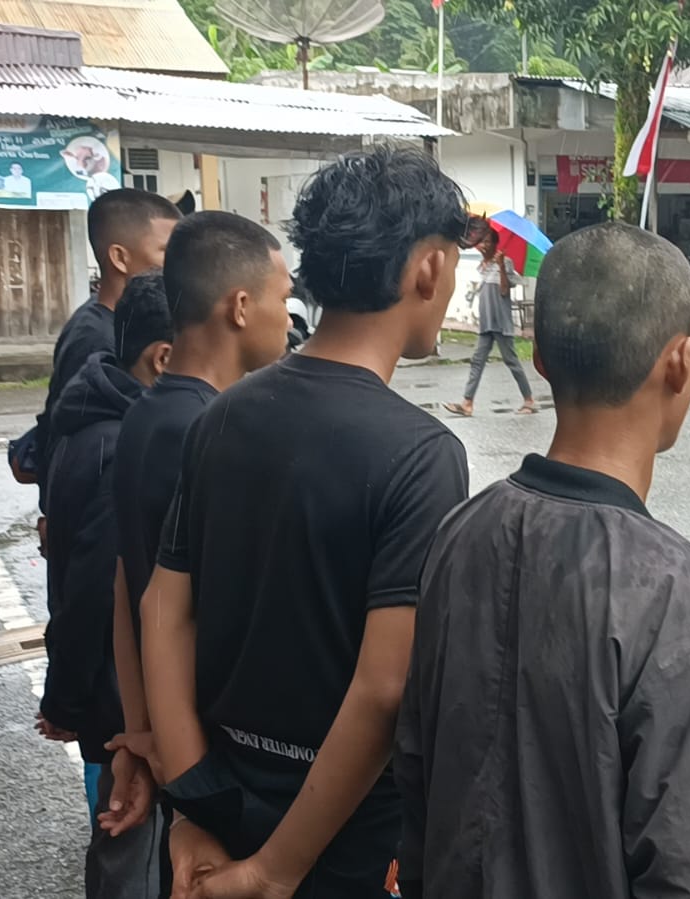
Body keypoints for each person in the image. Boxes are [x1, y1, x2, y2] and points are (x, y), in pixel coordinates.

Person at [396, 222, 690, 899]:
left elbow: (420, 775)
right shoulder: (679, 596)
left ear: (538, 357)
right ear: (681, 361)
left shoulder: (459, 534)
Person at [142, 146, 470, 899]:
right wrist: (277, 868)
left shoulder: (222, 413)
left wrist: (195, 798)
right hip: (343, 832)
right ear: (426, 269)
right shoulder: (421, 455)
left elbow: (164, 606)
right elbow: (385, 687)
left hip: (223, 788)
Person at [96, 212, 294, 870]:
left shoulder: (144, 412)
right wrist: (180, 771)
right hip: (213, 759)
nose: (289, 320)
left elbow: (130, 582)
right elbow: (191, 613)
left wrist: (141, 729)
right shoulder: (215, 432)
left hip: (171, 741)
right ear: (240, 306)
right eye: (283, 298)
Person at [39, 271, 175, 899]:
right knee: (128, 830)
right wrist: (64, 698)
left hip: (103, 680)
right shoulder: (127, 444)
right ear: (164, 357)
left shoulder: (86, 418)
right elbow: (95, 586)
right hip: (120, 687)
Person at [12, 190, 181, 541]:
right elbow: (66, 435)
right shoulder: (95, 338)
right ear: (119, 257)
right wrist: (56, 518)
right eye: (167, 252)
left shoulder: (119, 322)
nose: (180, 265)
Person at [445, 229, 536, 416]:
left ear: (495, 244)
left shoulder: (506, 262)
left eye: (487, 242)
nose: (483, 245)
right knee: (477, 361)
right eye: (481, 242)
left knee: (511, 361)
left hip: (500, 322)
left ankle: (529, 400)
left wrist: (501, 266)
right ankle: (467, 403)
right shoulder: (483, 266)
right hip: (486, 323)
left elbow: (504, 290)